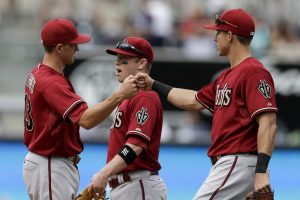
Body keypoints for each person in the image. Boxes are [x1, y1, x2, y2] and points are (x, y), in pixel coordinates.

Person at [136, 8, 277, 199]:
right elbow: (194, 101)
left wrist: (261, 171)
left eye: (218, 32)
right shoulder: (226, 76)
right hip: (232, 164)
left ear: (229, 35)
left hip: (238, 161)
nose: (214, 37)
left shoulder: (253, 72)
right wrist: (154, 84)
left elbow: (268, 122)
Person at [22, 18, 137, 200]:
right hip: (51, 165)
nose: (77, 48)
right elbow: (86, 120)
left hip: (50, 165)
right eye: (73, 44)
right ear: (60, 48)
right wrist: (119, 95)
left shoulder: (39, 72)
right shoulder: (52, 82)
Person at [87, 37, 167, 200]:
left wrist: (103, 174)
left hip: (139, 185)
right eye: (117, 60)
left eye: (124, 60)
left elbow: (135, 145)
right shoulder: (127, 98)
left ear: (141, 63)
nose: (117, 64)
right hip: (127, 186)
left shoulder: (146, 97)